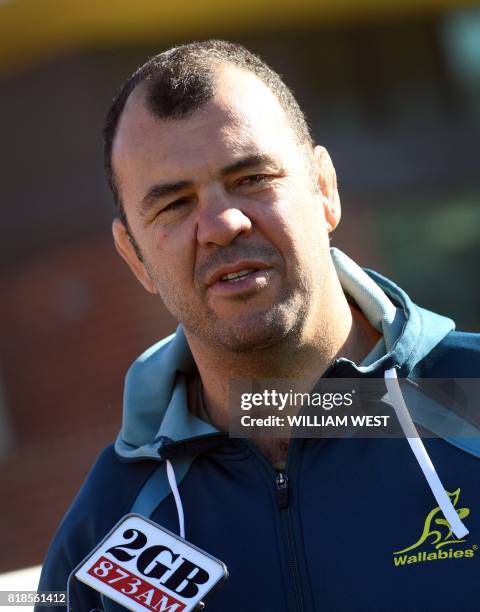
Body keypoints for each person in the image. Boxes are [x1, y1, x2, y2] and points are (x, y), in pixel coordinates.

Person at [37, 40, 480, 612]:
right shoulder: (98, 541)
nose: (222, 223)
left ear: (324, 188)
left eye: (250, 177)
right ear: (134, 256)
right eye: (173, 205)